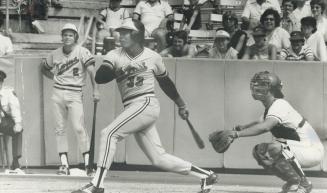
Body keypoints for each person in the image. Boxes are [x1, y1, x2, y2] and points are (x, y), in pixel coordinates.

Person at [71, 18, 218, 193]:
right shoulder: (114, 54)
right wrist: (119, 69)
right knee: (159, 159)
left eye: (126, 32)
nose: (121, 35)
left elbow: (165, 83)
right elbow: (100, 78)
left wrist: (181, 104)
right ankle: (206, 176)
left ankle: (97, 185)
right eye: (122, 32)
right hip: (133, 108)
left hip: (146, 103)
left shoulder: (153, 56)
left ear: (137, 35)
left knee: (109, 133)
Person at [219, 71, 324, 193]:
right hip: (300, 148)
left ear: (272, 89)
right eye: (256, 84)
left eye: (262, 84)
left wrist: (237, 135)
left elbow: (265, 127)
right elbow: (258, 123)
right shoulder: (270, 108)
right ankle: (293, 181)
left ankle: (304, 183)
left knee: (276, 147)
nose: (256, 87)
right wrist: (237, 129)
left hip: (312, 150)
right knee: (259, 151)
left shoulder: (280, 104)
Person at [41, 23, 100, 175]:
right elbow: (44, 67)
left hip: (75, 93)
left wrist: (95, 89)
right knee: (59, 129)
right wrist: (54, 77)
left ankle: (88, 164)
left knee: (79, 128)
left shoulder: (83, 51)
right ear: (62, 37)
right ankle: (64, 165)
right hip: (58, 93)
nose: (67, 37)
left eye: (70, 35)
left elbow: (92, 71)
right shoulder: (55, 54)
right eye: (65, 34)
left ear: (75, 37)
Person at [0, 70, 24, 174]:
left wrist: (18, 123)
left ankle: (15, 161)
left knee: (18, 130)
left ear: (2, 82)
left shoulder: (8, 92)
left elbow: (15, 108)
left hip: (3, 122)